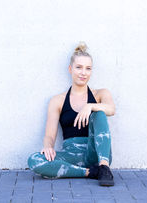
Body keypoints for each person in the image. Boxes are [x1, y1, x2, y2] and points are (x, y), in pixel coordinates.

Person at [27, 42, 115, 186]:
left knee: (99, 113)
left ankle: (104, 167)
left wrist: (90, 106)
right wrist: (48, 146)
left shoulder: (100, 94)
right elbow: (49, 136)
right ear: (70, 69)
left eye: (88, 68)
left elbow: (111, 109)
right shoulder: (58, 100)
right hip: (70, 155)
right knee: (34, 160)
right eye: (79, 67)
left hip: (96, 152)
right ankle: (90, 172)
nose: (83, 73)